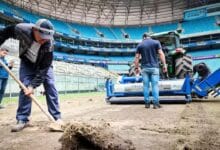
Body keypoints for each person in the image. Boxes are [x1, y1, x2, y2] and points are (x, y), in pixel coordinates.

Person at [0, 19, 63, 132]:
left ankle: (56, 118)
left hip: (43, 64)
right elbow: (5, 32)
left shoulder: (49, 44)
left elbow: (44, 69)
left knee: (50, 84)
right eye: (42, 37)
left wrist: (33, 86)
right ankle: (22, 119)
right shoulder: (21, 29)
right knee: (24, 86)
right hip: (27, 62)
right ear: (35, 30)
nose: (44, 40)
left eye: (46, 38)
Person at [134, 33, 167, 109]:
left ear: (143, 38)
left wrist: (136, 68)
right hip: (154, 68)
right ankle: (155, 104)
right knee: (155, 85)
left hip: (144, 69)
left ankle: (147, 103)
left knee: (145, 86)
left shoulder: (140, 45)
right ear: (149, 37)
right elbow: (161, 53)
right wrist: (164, 64)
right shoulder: (156, 42)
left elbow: (136, 57)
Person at [0, 44, 14, 109]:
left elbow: (6, 69)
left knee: (2, 92)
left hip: (5, 77)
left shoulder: (4, 60)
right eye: (4, 52)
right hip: (0, 77)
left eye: (6, 53)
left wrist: (10, 66)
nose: (5, 53)